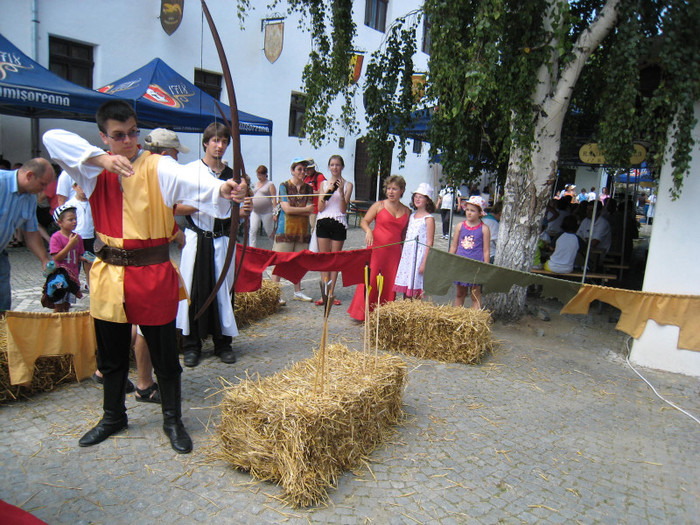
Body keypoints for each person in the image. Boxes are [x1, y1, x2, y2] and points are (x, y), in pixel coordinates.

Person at [43, 100, 247, 454]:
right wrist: (101, 160)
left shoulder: (158, 166)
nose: (128, 141)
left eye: (133, 132)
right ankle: (112, 416)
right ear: (104, 137)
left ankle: (172, 419)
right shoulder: (90, 170)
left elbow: (190, 180)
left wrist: (220, 190)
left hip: (152, 274)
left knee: (166, 356)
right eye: (118, 135)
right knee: (110, 355)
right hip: (109, 276)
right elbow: (52, 137)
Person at [176, 122, 241, 368]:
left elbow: (240, 210)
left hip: (222, 239)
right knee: (192, 291)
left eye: (224, 141)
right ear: (205, 143)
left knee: (223, 291)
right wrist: (206, 201)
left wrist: (242, 205)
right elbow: (176, 206)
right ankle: (191, 345)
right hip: (196, 237)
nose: (219, 146)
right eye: (215, 141)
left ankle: (223, 343)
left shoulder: (232, 176)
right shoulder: (191, 171)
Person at [347, 175, 410, 321]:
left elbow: (404, 236)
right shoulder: (379, 205)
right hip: (376, 249)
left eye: (394, 189)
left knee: (389, 282)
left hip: (394, 253)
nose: (390, 192)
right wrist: (369, 230)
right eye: (388, 188)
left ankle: (383, 313)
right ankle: (362, 312)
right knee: (371, 279)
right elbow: (364, 222)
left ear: (402, 190)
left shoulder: (407, 211)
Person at [0, 158, 55, 310]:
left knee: (3, 305)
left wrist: (44, 260)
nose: (43, 190)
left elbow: (31, 233)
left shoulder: (30, 198)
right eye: (42, 184)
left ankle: (2, 331)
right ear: (30, 175)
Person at [271, 157, 314, 304]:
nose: (302, 172)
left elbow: (310, 210)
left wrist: (299, 210)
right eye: (299, 169)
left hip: (302, 230)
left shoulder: (308, 188)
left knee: (299, 262)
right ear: (292, 170)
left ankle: (298, 291)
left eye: (304, 169)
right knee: (280, 261)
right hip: (285, 229)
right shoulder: (283, 185)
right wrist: (303, 209)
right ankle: (274, 293)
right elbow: (286, 209)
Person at [313, 155, 354, 306]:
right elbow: (321, 207)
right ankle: (323, 294)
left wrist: (341, 192)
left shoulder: (348, 184)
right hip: (323, 221)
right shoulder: (323, 184)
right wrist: (327, 192)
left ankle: (331, 293)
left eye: (337, 165)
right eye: (332, 165)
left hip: (338, 222)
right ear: (329, 167)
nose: (335, 167)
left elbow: (343, 210)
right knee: (324, 259)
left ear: (342, 167)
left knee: (335, 260)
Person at [393, 183, 435, 299]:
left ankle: (415, 309)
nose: (417, 199)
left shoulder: (428, 219)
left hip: (419, 255)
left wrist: (424, 262)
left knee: (416, 283)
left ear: (427, 200)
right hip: (408, 254)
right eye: (416, 196)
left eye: (421, 197)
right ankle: (406, 306)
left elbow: (430, 242)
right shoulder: (412, 216)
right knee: (406, 282)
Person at [450, 195, 490, 309]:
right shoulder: (460, 226)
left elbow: (486, 250)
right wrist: (449, 261)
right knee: (460, 293)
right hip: (460, 265)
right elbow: (454, 246)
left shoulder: (484, 229)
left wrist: (486, 267)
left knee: (475, 295)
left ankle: (476, 319)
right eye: (467, 210)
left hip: (475, 266)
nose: (469, 213)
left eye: (473, 210)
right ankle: (456, 316)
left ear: (480, 213)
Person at [48, 204, 86, 312]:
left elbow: (78, 256)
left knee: (67, 304)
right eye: (70, 220)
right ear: (60, 222)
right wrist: (70, 244)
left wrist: (87, 259)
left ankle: (65, 326)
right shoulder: (56, 237)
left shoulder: (77, 237)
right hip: (59, 277)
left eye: (75, 219)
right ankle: (56, 326)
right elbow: (57, 257)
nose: (74, 222)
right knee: (59, 304)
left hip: (73, 277)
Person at [248, 165, 276, 247]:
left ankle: (274, 247)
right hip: (255, 211)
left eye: (260, 175)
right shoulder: (256, 184)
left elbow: (274, 199)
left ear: (265, 174)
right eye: (258, 174)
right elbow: (253, 195)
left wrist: (275, 213)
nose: (259, 177)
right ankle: (252, 248)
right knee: (252, 230)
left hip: (266, 212)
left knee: (269, 231)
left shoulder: (270, 184)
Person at [303, 158, 326, 231]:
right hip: (306, 206)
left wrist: (309, 192)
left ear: (313, 168)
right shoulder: (305, 178)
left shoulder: (319, 177)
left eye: (309, 169)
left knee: (314, 227)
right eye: (306, 169)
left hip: (316, 207)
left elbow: (322, 191)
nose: (307, 171)